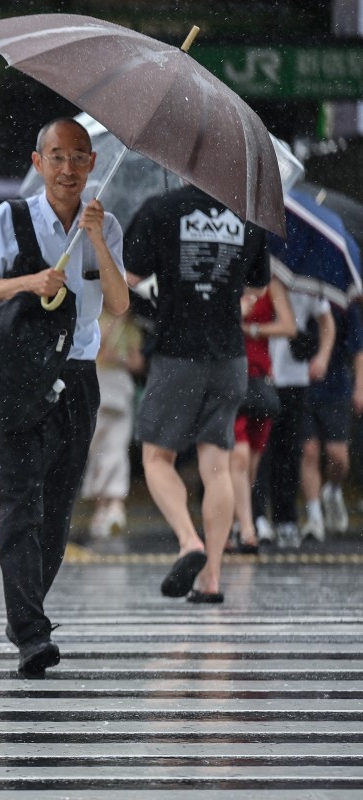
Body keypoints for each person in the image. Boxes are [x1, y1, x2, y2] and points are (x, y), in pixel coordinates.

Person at [0, 118, 129, 675]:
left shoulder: (103, 225)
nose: (67, 169)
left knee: (59, 508)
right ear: (38, 164)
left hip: (78, 376)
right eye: (56, 157)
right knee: (18, 504)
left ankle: (24, 612)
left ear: (91, 166)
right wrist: (29, 283)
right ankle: (33, 633)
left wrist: (94, 239)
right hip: (12, 378)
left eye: (78, 158)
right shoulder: (8, 219)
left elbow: (118, 303)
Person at [124, 183, 270, 604]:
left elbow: (130, 279)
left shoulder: (161, 208)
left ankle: (190, 541)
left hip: (176, 353)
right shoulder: (250, 216)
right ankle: (211, 580)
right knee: (218, 465)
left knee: (157, 457)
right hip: (230, 356)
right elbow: (256, 287)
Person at [253, 290, 332, 548]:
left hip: (293, 376)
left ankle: (285, 517)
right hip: (260, 373)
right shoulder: (258, 280)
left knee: (289, 451)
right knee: (258, 451)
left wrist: (322, 356)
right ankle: (257, 516)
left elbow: (325, 320)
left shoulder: (306, 281)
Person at [228, 278, 295, 553]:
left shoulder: (271, 286)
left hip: (259, 381)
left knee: (251, 464)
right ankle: (247, 528)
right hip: (231, 379)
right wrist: (236, 316)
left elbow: (289, 326)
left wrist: (252, 328)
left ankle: (233, 523)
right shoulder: (227, 280)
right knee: (239, 457)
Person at [299, 303, 363, 543]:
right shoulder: (296, 298)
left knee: (338, 456)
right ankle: (314, 515)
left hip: (335, 388)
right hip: (302, 386)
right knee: (309, 451)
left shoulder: (343, 305)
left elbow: (358, 349)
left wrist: (360, 387)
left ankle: (333, 490)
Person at [80, 309, 144, 541]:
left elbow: (137, 362)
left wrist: (118, 358)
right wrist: (114, 323)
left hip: (120, 389)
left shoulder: (132, 327)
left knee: (116, 448)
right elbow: (97, 347)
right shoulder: (95, 319)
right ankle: (101, 506)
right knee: (97, 449)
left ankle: (116, 503)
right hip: (98, 386)